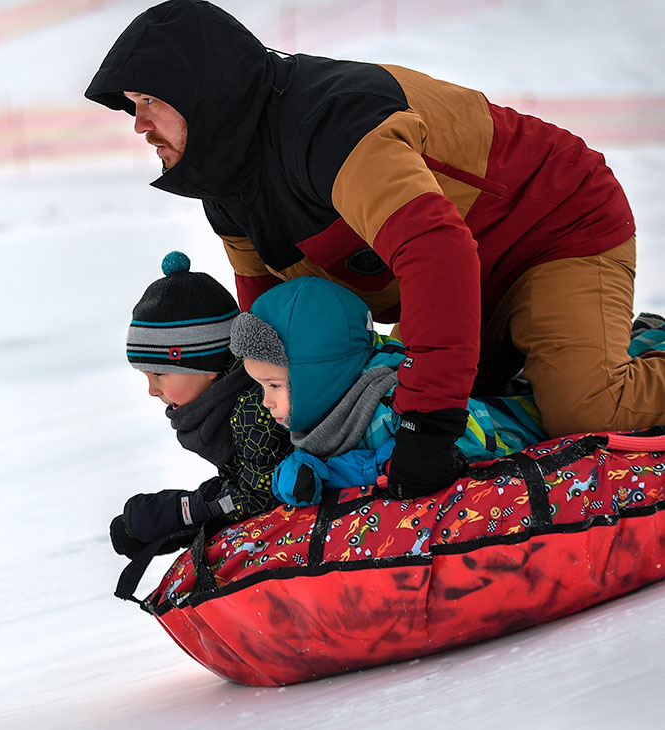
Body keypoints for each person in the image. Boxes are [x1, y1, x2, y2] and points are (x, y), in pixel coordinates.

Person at [85, 0, 665, 499]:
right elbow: (281, 327)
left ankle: (613, 355)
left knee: (583, 409)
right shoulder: (230, 189)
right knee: (441, 410)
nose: (139, 125)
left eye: (148, 101)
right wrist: (250, 440)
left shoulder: (333, 125)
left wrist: (426, 420)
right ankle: (592, 345)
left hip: (550, 229)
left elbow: (436, 254)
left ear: (200, 93)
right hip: (453, 284)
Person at [230, 276, 546, 503]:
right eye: (262, 387)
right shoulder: (326, 420)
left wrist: (374, 465)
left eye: (274, 386)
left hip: (523, 433)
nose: (266, 402)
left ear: (318, 376)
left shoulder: (393, 402)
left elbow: (465, 446)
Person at [109, 251, 295, 560]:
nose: (152, 391)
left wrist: (182, 513)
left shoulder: (254, 406)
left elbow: (263, 498)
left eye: (158, 374)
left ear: (205, 364)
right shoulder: (223, 402)